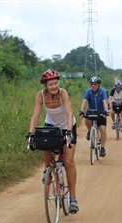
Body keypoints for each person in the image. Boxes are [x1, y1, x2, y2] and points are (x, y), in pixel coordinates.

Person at [26, 69, 79, 214]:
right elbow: (35, 116)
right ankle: (47, 169)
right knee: (42, 139)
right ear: (45, 86)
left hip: (67, 126)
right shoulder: (40, 96)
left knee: (68, 161)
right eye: (51, 84)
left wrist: (68, 131)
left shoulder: (63, 93)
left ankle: (73, 198)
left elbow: (69, 113)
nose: (54, 86)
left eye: (55, 83)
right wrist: (31, 133)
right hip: (51, 126)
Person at [79, 76, 109, 157]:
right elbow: (84, 102)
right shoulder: (88, 92)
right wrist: (81, 111)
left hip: (101, 113)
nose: (93, 86)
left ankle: (102, 148)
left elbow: (104, 102)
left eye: (95, 84)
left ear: (99, 85)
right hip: (91, 112)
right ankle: (89, 131)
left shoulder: (102, 92)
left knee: (102, 129)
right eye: (92, 84)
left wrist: (106, 111)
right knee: (87, 118)